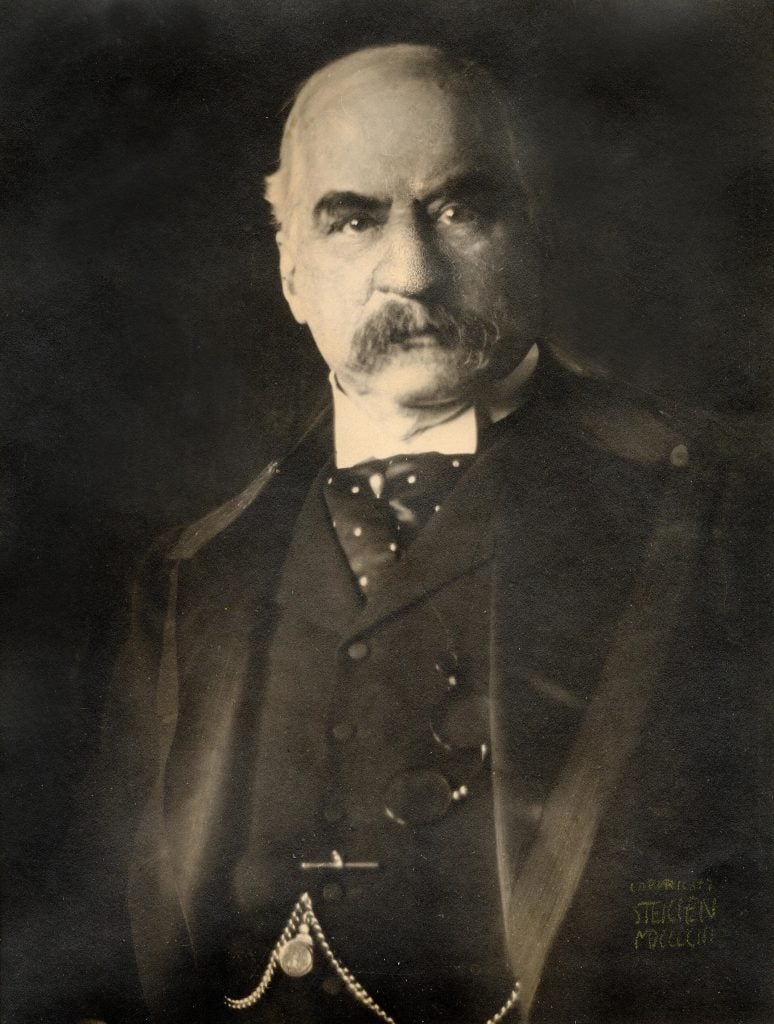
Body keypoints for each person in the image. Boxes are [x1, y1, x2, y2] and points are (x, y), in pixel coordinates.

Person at [55, 43, 769, 1024]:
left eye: (460, 209)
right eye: (351, 218)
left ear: (536, 234)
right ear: (291, 271)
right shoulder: (193, 574)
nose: (410, 270)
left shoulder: (721, 510)